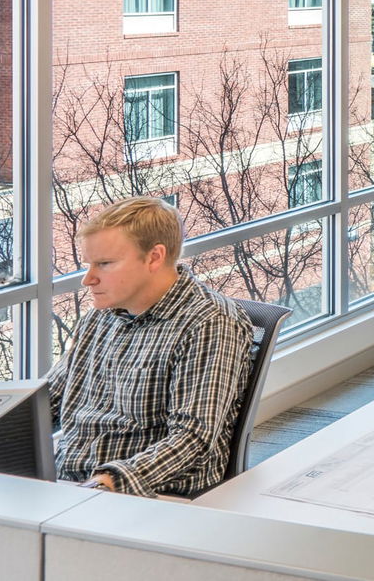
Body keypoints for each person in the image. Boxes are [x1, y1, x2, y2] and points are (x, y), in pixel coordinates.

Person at [49, 197, 254, 497]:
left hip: (147, 496)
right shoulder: (99, 318)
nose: (87, 279)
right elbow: (46, 401)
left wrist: (105, 483)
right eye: (89, 264)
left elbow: (191, 439)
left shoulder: (209, 323)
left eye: (104, 264)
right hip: (68, 484)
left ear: (154, 258)